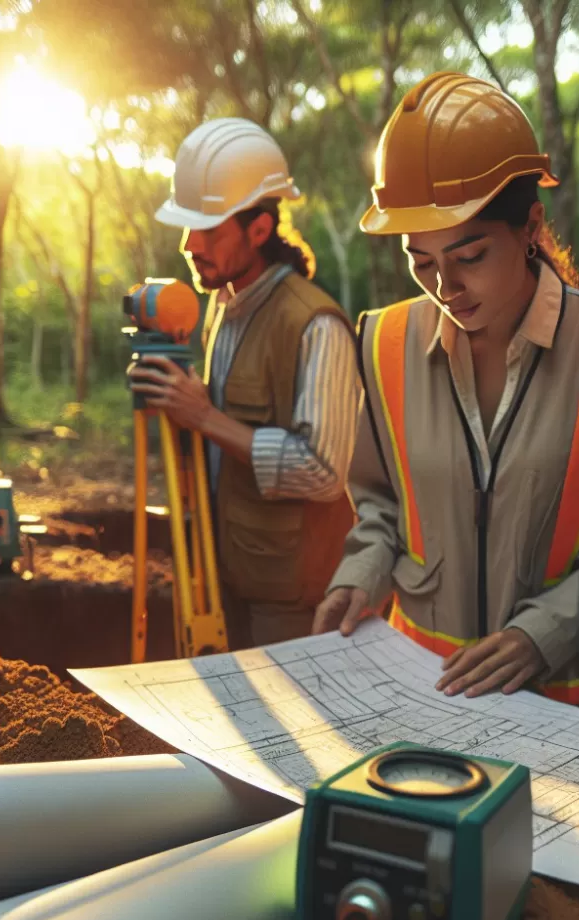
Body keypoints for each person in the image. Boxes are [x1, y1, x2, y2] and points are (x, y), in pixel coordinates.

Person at [313, 72, 579, 703]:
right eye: (420, 261)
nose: (444, 289)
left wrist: (542, 634)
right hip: (415, 694)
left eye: (469, 257)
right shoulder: (384, 342)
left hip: (557, 703)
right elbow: (382, 506)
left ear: (531, 226)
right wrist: (360, 575)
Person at [132, 118, 360, 648]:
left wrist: (205, 418)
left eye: (208, 228)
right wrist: (179, 402)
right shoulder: (222, 306)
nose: (190, 244)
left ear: (258, 230)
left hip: (290, 600)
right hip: (221, 574)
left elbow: (324, 472)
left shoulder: (315, 324)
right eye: (187, 227)